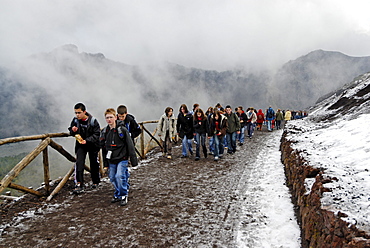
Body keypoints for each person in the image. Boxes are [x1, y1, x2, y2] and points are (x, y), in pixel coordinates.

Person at [100, 108, 138, 206]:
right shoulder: (105, 131)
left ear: (115, 117)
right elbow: (104, 149)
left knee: (119, 176)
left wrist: (134, 160)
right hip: (111, 159)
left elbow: (130, 145)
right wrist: (105, 163)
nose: (109, 119)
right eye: (107, 118)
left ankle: (123, 194)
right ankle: (118, 193)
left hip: (122, 158)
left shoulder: (122, 130)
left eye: (111, 117)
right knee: (112, 177)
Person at [68, 102, 101, 194]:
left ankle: (95, 181)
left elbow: (97, 134)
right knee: (79, 162)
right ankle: (79, 183)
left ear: (84, 112)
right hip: (80, 145)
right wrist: (72, 130)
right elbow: (71, 131)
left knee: (94, 163)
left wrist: (87, 140)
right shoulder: (75, 120)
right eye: (76, 113)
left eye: (79, 112)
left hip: (92, 144)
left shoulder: (93, 121)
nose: (77, 115)